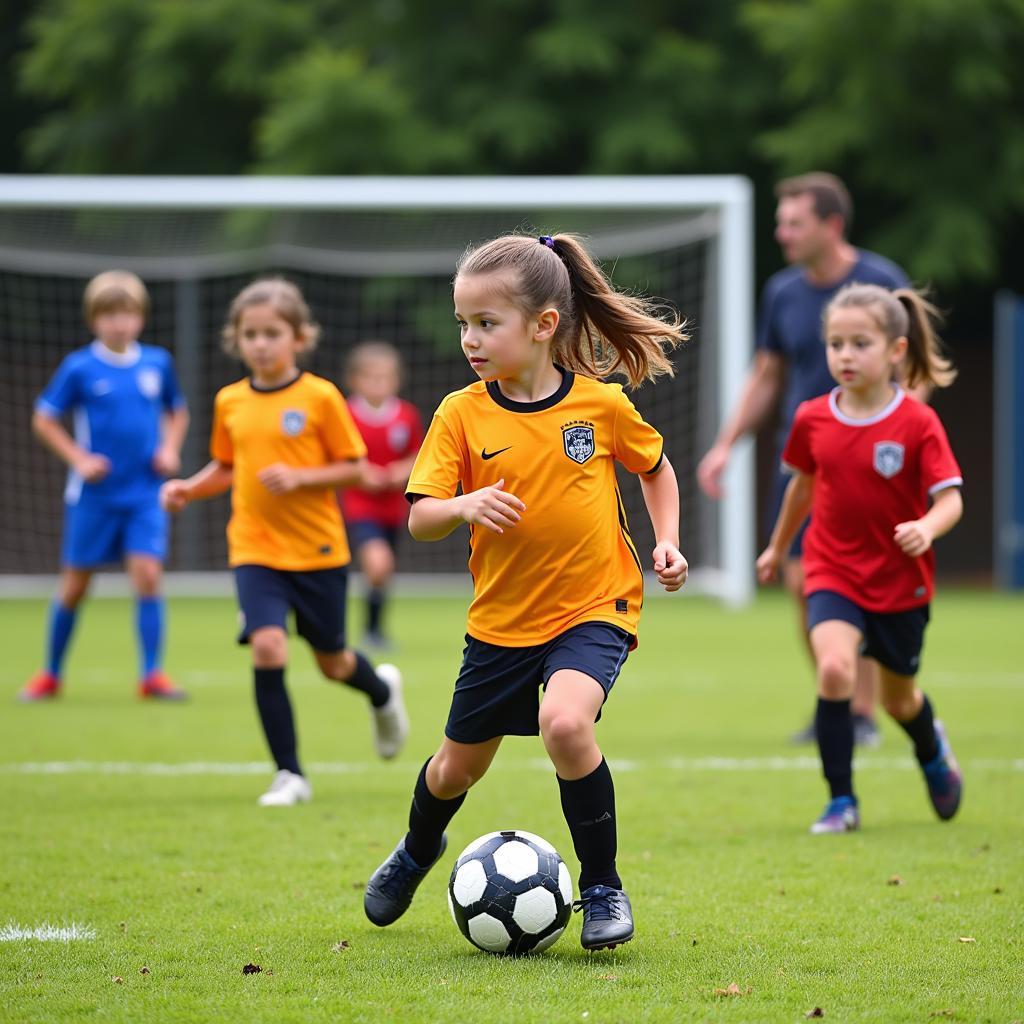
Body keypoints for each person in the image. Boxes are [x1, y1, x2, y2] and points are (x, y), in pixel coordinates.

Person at [363, 233, 689, 951]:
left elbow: (656, 467)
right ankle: (419, 849)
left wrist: (666, 540)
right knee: (455, 769)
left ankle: (602, 886)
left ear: (543, 325)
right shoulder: (461, 413)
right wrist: (465, 506)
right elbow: (419, 519)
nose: (470, 340)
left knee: (567, 726)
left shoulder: (601, 407)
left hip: (594, 606)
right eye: (463, 324)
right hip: (502, 624)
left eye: (487, 323)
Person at [160, 278, 409, 807]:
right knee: (268, 647)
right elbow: (227, 467)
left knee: (333, 663)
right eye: (250, 334)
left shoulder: (319, 396)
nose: (260, 343)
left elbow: (356, 468)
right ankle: (289, 774)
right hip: (254, 549)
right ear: (237, 340)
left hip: (318, 552)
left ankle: (383, 693)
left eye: (272, 332)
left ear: (299, 337)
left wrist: (301, 478)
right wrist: (189, 487)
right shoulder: (230, 401)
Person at [697, 172, 912, 748]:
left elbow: (913, 374)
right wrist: (725, 445)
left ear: (832, 225)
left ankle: (859, 714)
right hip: (804, 463)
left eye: (794, 222)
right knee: (803, 582)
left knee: (861, 584)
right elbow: (767, 375)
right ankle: (835, 699)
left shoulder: (881, 281)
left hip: (871, 468)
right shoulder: (783, 293)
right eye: (780, 221)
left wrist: (899, 440)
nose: (782, 232)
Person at [756, 283, 963, 833]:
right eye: (835, 344)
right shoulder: (812, 418)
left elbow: (951, 499)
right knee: (833, 667)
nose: (844, 355)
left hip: (900, 581)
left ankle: (932, 750)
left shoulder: (917, 423)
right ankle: (841, 801)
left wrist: (925, 525)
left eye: (859, 344)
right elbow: (802, 487)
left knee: (900, 701)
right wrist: (778, 548)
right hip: (832, 569)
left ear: (896, 350)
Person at [19, 270, 189, 702]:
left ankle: (152, 675)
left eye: (127, 314)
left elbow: (177, 411)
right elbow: (44, 418)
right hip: (94, 495)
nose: (119, 323)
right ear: (94, 319)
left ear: (141, 318)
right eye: (110, 315)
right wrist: (79, 458)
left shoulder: (157, 362)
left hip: (145, 492)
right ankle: (51, 674)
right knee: (76, 585)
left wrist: (170, 448)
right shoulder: (79, 367)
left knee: (148, 575)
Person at [340, 341, 424, 649]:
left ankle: (373, 631)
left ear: (396, 379)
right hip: (361, 504)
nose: (377, 383)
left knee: (382, 572)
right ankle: (370, 630)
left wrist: (400, 471)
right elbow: (338, 455)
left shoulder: (406, 415)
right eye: (370, 376)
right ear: (354, 379)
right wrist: (365, 473)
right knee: (378, 564)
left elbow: (418, 453)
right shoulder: (345, 414)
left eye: (384, 377)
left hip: (394, 507)